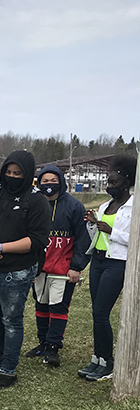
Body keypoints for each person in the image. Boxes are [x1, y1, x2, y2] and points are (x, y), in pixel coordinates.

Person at [0, 151, 51, 389]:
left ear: (28, 175)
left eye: (17, 173)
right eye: (8, 172)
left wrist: (2, 248)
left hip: (17, 271)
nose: (11, 177)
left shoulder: (37, 201)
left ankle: (8, 369)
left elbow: (37, 240)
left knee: (11, 320)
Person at [78, 154, 137, 382]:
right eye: (108, 182)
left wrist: (113, 232)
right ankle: (97, 359)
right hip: (99, 260)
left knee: (101, 313)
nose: (109, 186)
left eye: (113, 183)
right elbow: (97, 236)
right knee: (96, 312)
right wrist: (93, 224)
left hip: (117, 262)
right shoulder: (105, 206)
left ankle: (108, 363)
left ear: (127, 182)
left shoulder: (134, 208)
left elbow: (135, 238)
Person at [25, 165, 90, 367]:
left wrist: (76, 267)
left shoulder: (74, 206)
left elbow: (83, 238)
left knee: (58, 307)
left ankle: (54, 346)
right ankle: (43, 342)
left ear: (61, 181)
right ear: (39, 183)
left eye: (53, 180)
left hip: (63, 268)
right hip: (40, 267)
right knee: (41, 305)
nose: (49, 184)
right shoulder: (34, 204)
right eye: (45, 181)